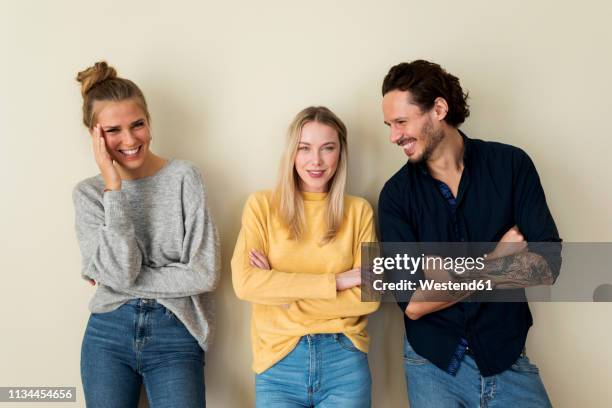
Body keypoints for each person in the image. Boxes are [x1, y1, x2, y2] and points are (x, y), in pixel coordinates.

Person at [378, 60, 561, 407]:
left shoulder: (511, 166)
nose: (393, 136)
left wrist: (444, 276)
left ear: (439, 109)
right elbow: (415, 303)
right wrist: (497, 260)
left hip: (506, 356)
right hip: (432, 366)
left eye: (401, 122)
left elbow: (547, 264)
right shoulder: (396, 196)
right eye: (389, 125)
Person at [73, 61, 219, 408]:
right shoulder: (89, 195)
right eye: (113, 130)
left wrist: (113, 280)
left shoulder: (185, 177)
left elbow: (204, 273)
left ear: (149, 122)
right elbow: (122, 270)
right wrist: (114, 187)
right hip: (107, 334)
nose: (129, 139)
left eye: (137, 124)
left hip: (177, 330)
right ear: (95, 135)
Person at [232, 106, 380, 408]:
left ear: (341, 153)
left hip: (344, 361)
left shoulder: (358, 211)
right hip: (277, 360)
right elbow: (246, 284)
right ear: (291, 153)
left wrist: (283, 293)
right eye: (305, 148)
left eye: (328, 148)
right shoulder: (261, 206)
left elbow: (370, 296)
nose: (316, 161)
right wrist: (336, 282)